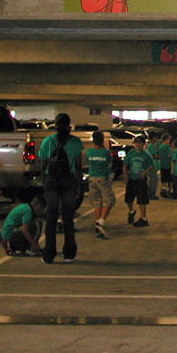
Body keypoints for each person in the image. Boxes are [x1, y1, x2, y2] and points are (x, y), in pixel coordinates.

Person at [38, 113, 84, 264]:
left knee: (51, 218)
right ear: (69, 124)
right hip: (68, 180)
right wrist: (78, 186)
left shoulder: (47, 141)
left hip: (51, 180)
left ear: (55, 124)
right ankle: (69, 253)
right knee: (68, 218)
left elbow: (43, 164)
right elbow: (77, 167)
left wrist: (45, 182)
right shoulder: (75, 142)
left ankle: (49, 253)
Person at [86, 130, 114, 239]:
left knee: (97, 201)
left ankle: (97, 222)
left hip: (92, 178)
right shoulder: (105, 153)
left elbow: (88, 160)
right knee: (109, 200)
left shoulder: (89, 152)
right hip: (103, 178)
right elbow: (109, 161)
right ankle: (101, 222)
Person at [123, 135, 155, 227]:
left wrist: (145, 172)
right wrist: (125, 175)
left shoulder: (146, 155)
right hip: (131, 179)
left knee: (142, 199)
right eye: (136, 143)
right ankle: (131, 211)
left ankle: (143, 218)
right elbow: (125, 164)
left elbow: (152, 166)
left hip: (141, 180)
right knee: (128, 198)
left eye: (139, 143)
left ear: (143, 144)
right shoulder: (131, 153)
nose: (137, 145)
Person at [146, 132, 161, 200]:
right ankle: (151, 194)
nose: (157, 139)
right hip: (152, 166)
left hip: (152, 165)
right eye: (156, 137)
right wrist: (158, 157)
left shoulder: (150, 145)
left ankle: (150, 193)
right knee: (153, 180)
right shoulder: (151, 146)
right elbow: (151, 155)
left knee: (153, 180)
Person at [158, 133, 173, 197]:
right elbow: (169, 155)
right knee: (170, 180)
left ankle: (163, 190)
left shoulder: (161, 146)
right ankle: (170, 191)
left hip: (162, 164)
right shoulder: (167, 146)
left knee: (163, 179)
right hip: (168, 165)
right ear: (167, 139)